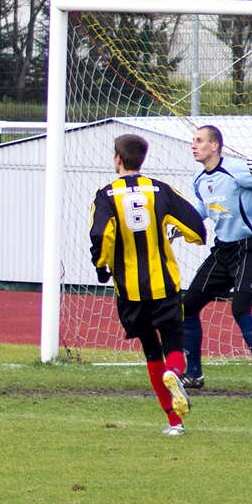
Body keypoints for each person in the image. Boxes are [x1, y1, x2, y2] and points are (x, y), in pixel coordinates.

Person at [90, 134, 207, 436]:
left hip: (130, 290)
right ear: (141, 159)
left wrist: (101, 266)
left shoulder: (105, 195)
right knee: (174, 344)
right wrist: (189, 236)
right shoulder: (161, 190)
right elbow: (196, 226)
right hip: (164, 285)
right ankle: (176, 372)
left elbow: (101, 234)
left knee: (151, 351)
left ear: (118, 159)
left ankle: (174, 423)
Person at [182, 124, 252, 398]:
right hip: (223, 250)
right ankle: (193, 375)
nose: (194, 145)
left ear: (214, 145)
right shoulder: (199, 179)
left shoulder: (238, 170)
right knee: (187, 307)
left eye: (199, 141)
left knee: (240, 309)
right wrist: (181, 224)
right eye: (193, 141)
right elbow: (202, 208)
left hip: (251, 249)